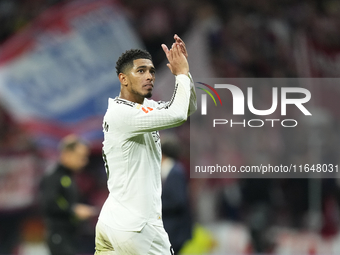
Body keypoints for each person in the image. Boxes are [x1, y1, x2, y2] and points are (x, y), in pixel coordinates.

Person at [95, 34, 197, 255]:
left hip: (113, 222)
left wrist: (185, 73)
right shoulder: (123, 114)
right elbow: (178, 115)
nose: (149, 76)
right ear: (123, 78)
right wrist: (179, 74)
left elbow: (186, 109)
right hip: (138, 227)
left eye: (152, 70)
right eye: (141, 71)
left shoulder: (141, 109)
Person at [40, 135, 97, 255]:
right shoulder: (54, 176)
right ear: (66, 154)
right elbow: (48, 204)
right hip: (59, 235)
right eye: (80, 157)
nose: (84, 161)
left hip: (71, 235)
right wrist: (74, 210)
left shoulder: (69, 177)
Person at [161, 136, 193, 254]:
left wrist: (157, 205)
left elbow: (179, 200)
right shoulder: (169, 170)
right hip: (172, 228)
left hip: (175, 229)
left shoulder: (175, 172)